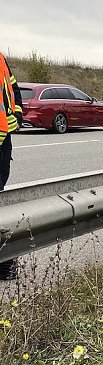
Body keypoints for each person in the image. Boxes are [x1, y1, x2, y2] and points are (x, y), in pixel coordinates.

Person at [0, 51, 22, 280]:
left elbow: (12, 91)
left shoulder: (1, 59)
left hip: (3, 141)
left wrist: (17, 115)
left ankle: (3, 265)